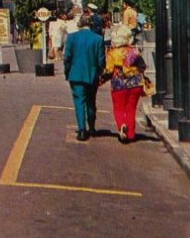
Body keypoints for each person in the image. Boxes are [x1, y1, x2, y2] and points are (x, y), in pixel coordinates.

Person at [63, 11, 106, 141]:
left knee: (79, 101)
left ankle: (82, 129)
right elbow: (101, 60)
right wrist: (100, 71)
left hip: (75, 75)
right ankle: (92, 127)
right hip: (92, 75)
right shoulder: (98, 39)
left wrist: (67, 72)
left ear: (79, 24)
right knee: (91, 101)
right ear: (91, 25)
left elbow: (67, 58)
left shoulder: (71, 38)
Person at [104, 23, 147, 143]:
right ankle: (131, 134)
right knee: (131, 109)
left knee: (119, 108)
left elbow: (108, 71)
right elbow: (142, 66)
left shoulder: (112, 53)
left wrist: (100, 80)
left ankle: (122, 126)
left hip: (119, 84)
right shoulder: (134, 51)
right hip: (135, 84)